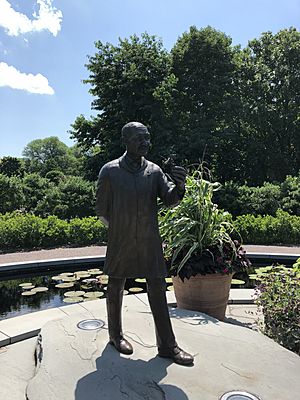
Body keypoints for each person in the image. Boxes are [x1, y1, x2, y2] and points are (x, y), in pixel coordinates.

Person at [95, 121, 194, 366]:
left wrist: (180, 186)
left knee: (158, 289)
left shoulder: (155, 171)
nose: (145, 143)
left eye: (147, 138)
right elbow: (101, 210)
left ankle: (167, 346)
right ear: (125, 141)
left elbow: (170, 199)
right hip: (121, 240)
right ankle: (115, 335)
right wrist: (120, 231)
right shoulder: (109, 171)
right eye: (139, 138)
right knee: (116, 285)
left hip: (150, 240)